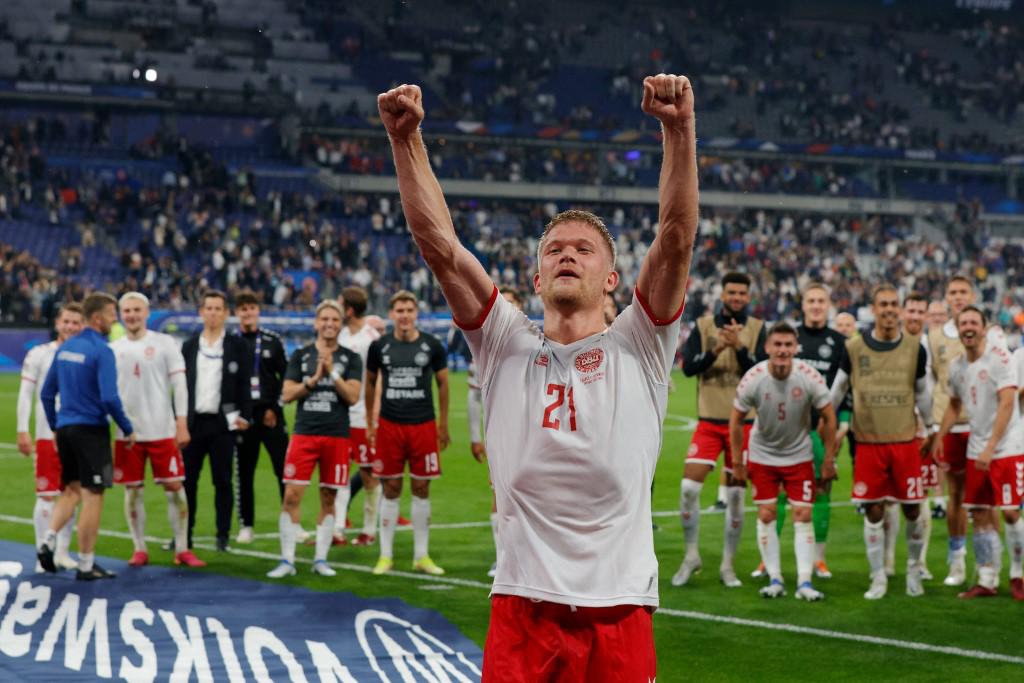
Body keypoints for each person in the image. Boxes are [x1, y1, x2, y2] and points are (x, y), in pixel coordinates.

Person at [379, 72, 694, 680]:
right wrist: (405, 140)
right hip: (522, 610)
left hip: (620, 609)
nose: (567, 253)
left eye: (583, 248)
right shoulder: (503, 342)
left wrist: (678, 130)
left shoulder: (642, 343)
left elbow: (676, 238)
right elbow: (440, 248)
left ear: (612, 279)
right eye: (554, 249)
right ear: (536, 278)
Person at [830, 284, 934, 600]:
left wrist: (930, 428)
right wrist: (825, 420)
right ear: (873, 310)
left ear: (899, 310)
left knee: (913, 509)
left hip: (905, 442)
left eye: (893, 304)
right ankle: (877, 576)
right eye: (883, 305)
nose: (888, 310)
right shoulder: (854, 347)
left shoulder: (915, 349)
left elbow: (922, 393)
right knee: (873, 510)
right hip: (868, 442)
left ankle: (913, 570)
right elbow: (838, 389)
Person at [731, 322, 837, 601]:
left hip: (799, 455)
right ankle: (775, 578)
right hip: (763, 455)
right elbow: (736, 419)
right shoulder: (754, 378)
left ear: (796, 348)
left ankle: (804, 582)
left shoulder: (809, 377)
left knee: (803, 514)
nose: (782, 350)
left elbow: (829, 416)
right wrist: (738, 462)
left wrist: (828, 459)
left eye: (788, 345)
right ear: (767, 347)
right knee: (767, 514)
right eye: (777, 344)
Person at [675, 271, 766, 588]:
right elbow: (688, 368)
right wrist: (716, 349)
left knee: (737, 498)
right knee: (688, 489)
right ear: (723, 295)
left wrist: (738, 347)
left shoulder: (758, 329)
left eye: (742, 293)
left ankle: (728, 565)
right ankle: (691, 556)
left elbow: (762, 372)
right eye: (732, 293)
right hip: (709, 422)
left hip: (744, 425)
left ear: (748, 296)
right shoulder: (703, 326)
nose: (737, 298)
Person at [38, 292, 135, 580]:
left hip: (66, 428)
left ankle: (47, 539)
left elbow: (47, 394)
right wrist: (126, 427)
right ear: (96, 318)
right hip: (91, 431)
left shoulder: (66, 348)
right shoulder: (102, 351)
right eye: (111, 314)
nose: (115, 320)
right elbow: (109, 397)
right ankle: (85, 564)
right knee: (93, 496)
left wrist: (56, 426)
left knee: (71, 490)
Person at [267, 301, 362, 578]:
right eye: (324, 319)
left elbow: (353, 396)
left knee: (329, 497)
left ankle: (321, 559)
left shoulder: (351, 358)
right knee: (291, 496)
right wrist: (314, 379)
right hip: (305, 433)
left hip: (336, 435)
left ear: (341, 324)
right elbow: (287, 394)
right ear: (316, 323)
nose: (329, 324)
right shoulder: (301, 355)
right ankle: (287, 560)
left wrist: (332, 373)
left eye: (334, 319)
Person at [935, 306, 1024, 600]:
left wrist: (990, 446)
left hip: (1007, 447)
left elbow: (1008, 403)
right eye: (964, 323)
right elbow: (954, 405)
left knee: (1010, 512)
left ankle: (1018, 575)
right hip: (977, 449)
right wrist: (939, 436)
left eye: (974, 322)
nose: (969, 327)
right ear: (958, 330)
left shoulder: (1000, 358)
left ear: (984, 328)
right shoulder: (958, 367)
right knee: (980, 512)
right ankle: (987, 578)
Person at [922, 276, 1005, 586]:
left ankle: (992, 564)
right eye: (953, 292)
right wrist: (934, 427)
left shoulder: (991, 333)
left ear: (972, 296)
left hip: (981, 425)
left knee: (987, 496)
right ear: (946, 297)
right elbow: (932, 382)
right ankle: (957, 561)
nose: (957, 297)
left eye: (963, 292)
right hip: (951, 424)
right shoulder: (934, 337)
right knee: (955, 493)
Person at [111, 292, 204, 568]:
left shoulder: (165, 343)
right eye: (127, 311)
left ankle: (182, 548)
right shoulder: (113, 349)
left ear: (147, 312)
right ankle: (139, 548)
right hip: (127, 434)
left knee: (175, 488)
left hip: (162, 430)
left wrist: (181, 422)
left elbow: (180, 386)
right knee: (133, 491)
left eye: (137, 310)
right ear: (121, 315)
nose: (132, 315)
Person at [365, 290, 450, 576]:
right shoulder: (380, 347)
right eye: (399, 311)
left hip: (423, 424)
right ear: (392, 314)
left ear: (416, 314)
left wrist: (443, 424)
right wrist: (369, 422)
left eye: (409, 311)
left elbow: (443, 383)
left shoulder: (432, 345)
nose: (404, 316)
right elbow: (369, 382)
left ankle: (421, 556)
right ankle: (385, 555)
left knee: (422, 488)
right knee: (390, 488)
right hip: (390, 425)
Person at [181, 290, 252, 552]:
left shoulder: (236, 346)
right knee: (187, 482)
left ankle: (222, 535)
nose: (212, 313)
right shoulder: (189, 346)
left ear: (225, 313)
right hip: (193, 424)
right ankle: (183, 535)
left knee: (222, 481)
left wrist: (245, 416)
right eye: (208, 308)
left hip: (222, 424)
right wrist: (179, 420)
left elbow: (245, 385)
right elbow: (180, 387)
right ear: (201, 312)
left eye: (217, 308)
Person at [18, 302, 83, 571]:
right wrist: (23, 429)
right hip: (47, 434)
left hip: (77, 434)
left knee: (72, 493)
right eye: (66, 321)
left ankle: (62, 552)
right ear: (57, 323)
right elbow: (26, 394)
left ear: (82, 326)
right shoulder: (39, 354)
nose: (70, 326)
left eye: (75, 322)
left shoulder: (85, 354)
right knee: (46, 494)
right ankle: (41, 554)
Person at [467, 286, 524, 577]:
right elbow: (473, 397)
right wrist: (475, 437)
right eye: (504, 304)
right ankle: (503, 559)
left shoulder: (537, 343)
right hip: (501, 436)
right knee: (500, 496)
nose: (508, 309)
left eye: (513, 304)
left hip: (535, 437)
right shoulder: (484, 349)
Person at [233, 290, 289, 545]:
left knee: (284, 470)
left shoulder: (272, 341)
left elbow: (286, 379)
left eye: (251, 308)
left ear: (258, 311)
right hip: (244, 419)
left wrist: (275, 409)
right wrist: (235, 415)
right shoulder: (231, 342)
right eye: (243, 309)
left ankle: (291, 521)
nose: (248, 313)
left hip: (271, 416)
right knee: (244, 473)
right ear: (237, 313)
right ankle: (246, 525)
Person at [337, 286, 382, 546]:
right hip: (340, 414)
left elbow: (380, 377)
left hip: (363, 416)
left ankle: (369, 530)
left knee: (368, 473)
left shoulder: (371, 337)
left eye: (340, 304)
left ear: (350, 310)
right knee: (339, 471)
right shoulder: (341, 334)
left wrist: (374, 413)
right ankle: (337, 530)